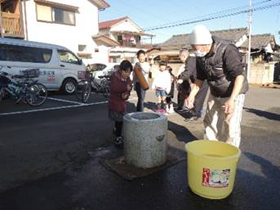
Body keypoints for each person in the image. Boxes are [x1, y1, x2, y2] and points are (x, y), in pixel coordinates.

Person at [185, 25, 248, 148]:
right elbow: (200, 78)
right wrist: (192, 95)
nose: (193, 49)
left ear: (203, 43)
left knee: (230, 125)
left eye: (194, 46)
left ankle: (229, 155)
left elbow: (239, 76)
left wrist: (232, 99)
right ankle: (211, 150)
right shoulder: (200, 55)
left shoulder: (227, 49)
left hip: (233, 92)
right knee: (210, 122)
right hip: (215, 92)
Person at [108, 60, 133, 146]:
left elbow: (129, 89)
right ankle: (118, 137)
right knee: (120, 120)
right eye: (125, 71)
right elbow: (115, 88)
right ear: (121, 70)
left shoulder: (128, 79)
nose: (127, 74)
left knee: (120, 120)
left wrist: (127, 95)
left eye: (129, 72)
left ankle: (116, 130)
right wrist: (125, 88)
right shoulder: (115, 77)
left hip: (122, 104)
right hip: (115, 103)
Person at [179, 55, 209, 121]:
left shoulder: (190, 59)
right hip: (197, 80)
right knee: (193, 96)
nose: (180, 59)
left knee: (198, 97)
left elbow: (188, 70)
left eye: (180, 57)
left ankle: (195, 114)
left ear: (183, 56)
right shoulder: (193, 59)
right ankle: (194, 112)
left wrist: (182, 78)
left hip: (202, 81)